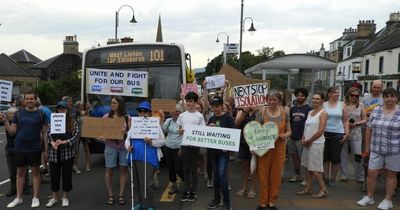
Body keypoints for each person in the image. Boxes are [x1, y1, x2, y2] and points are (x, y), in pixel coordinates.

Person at [1, 91, 48, 208]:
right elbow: (12, 132)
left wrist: (46, 150)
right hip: (20, 148)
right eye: (27, 99)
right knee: (20, 174)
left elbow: (45, 133)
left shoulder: (41, 114)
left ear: (35, 100)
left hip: (35, 148)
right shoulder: (18, 113)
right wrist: (5, 121)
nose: (29, 101)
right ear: (24, 100)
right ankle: (19, 198)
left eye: (31, 99)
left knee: (35, 173)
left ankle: (35, 197)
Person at [356, 88, 400, 210]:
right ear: (383, 98)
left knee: (391, 175)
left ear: (396, 98)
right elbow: (369, 129)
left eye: (392, 96)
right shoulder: (377, 110)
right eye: (387, 96)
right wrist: (367, 148)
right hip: (376, 148)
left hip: (394, 149)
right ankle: (369, 197)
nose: (389, 99)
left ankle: (388, 200)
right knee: (371, 173)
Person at [125, 101, 165, 210]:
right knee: (136, 182)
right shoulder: (135, 124)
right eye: (140, 111)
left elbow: (162, 141)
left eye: (145, 111)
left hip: (149, 157)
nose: (142, 113)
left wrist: (151, 142)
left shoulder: (155, 124)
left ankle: (149, 205)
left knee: (147, 184)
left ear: (149, 112)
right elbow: (128, 139)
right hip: (134, 156)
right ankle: (141, 203)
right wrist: (127, 146)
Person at [255, 90, 291, 210]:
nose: (272, 102)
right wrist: (253, 147)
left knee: (276, 176)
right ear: (267, 100)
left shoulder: (285, 113)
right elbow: (255, 131)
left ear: (279, 101)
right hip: (264, 149)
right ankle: (263, 201)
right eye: (270, 99)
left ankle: (272, 201)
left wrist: (285, 135)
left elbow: (289, 131)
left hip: (279, 148)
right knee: (263, 175)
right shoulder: (262, 112)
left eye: (274, 99)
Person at [45, 101, 79, 207]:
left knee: (66, 175)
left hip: (67, 153)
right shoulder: (53, 120)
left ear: (67, 110)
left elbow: (76, 135)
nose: (61, 110)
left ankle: (65, 197)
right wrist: (52, 143)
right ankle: (55, 197)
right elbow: (48, 133)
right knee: (54, 176)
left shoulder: (72, 122)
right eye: (59, 109)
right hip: (54, 153)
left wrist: (65, 142)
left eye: (63, 109)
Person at [206, 96, 236, 210]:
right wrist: (208, 128)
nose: (215, 108)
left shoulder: (228, 118)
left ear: (221, 106)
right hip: (213, 152)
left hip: (223, 152)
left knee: (222, 175)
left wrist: (228, 146)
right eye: (213, 106)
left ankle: (227, 202)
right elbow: (207, 135)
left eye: (217, 106)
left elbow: (233, 133)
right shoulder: (211, 119)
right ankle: (217, 199)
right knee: (216, 176)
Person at [296, 92, 328, 198]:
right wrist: (303, 138)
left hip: (317, 143)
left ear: (322, 100)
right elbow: (307, 127)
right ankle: (308, 189)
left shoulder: (323, 113)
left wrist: (310, 140)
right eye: (313, 98)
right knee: (307, 167)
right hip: (307, 142)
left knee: (315, 169)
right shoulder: (310, 112)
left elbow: (321, 130)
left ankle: (323, 189)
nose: (315, 100)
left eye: (317, 99)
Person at [177, 91, 206, 202]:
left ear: (195, 102)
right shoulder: (181, 115)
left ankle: (193, 191)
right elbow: (179, 128)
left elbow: (202, 130)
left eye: (191, 101)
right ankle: (187, 190)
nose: (189, 103)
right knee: (186, 168)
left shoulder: (199, 116)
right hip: (184, 145)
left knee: (193, 169)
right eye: (187, 101)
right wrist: (180, 131)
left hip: (194, 146)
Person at [103, 96, 130, 205]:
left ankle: (121, 195)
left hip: (124, 147)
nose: (112, 104)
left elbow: (131, 133)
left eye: (114, 103)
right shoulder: (106, 117)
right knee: (109, 170)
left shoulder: (127, 118)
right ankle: (110, 195)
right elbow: (100, 132)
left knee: (123, 169)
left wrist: (126, 132)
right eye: (111, 103)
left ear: (120, 104)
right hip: (110, 146)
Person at [323, 87, 349, 188]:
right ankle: (325, 177)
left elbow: (346, 120)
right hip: (324, 133)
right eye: (335, 93)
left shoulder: (342, 105)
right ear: (329, 94)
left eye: (338, 93)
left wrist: (346, 133)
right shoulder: (323, 105)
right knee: (325, 157)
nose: (337, 94)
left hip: (338, 133)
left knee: (335, 157)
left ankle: (333, 178)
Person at [339, 87, 367, 182]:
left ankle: (360, 175)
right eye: (352, 95)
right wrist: (346, 124)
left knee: (357, 156)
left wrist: (356, 123)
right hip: (343, 132)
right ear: (348, 95)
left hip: (356, 133)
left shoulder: (361, 105)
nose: (354, 97)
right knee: (343, 155)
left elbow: (365, 119)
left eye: (356, 96)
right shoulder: (342, 105)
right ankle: (344, 175)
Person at [4, 107, 30, 197]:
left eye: (13, 113)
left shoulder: (22, 122)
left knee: (24, 170)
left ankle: (26, 187)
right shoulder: (6, 122)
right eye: (9, 114)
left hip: (22, 149)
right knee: (12, 171)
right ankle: (13, 188)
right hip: (10, 149)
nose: (11, 115)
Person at [288, 88, 312, 183]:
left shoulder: (309, 109)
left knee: (304, 158)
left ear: (305, 97)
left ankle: (306, 177)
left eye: (302, 95)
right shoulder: (292, 109)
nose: (300, 97)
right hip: (292, 137)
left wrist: (306, 137)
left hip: (302, 138)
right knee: (294, 157)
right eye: (298, 95)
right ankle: (297, 174)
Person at [160, 104, 185, 194]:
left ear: (180, 113)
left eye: (177, 111)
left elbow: (186, 136)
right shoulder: (169, 121)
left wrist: (182, 148)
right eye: (174, 111)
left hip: (178, 148)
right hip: (168, 147)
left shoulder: (183, 122)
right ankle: (173, 186)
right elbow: (163, 129)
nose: (175, 112)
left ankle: (187, 182)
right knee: (171, 168)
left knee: (178, 168)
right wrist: (162, 118)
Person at [235, 105, 257, 199]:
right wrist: (244, 112)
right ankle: (244, 188)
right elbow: (236, 123)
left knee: (254, 167)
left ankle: (253, 189)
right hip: (244, 142)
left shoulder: (260, 111)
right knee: (245, 166)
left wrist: (258, 111)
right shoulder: (241, 112)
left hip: (256, 142)